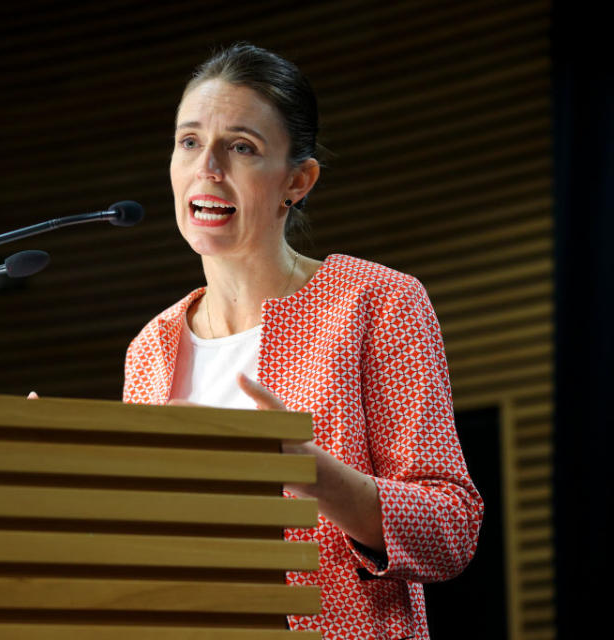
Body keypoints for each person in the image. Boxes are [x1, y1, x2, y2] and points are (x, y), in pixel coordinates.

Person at [122, 43, 483, 639]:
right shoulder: (150, 348)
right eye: (189, 142)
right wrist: (68, 484)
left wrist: (309, 473)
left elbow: (451, 530)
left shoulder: (376, 301)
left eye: (241, 147)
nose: (207, 167)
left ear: (298, 180)